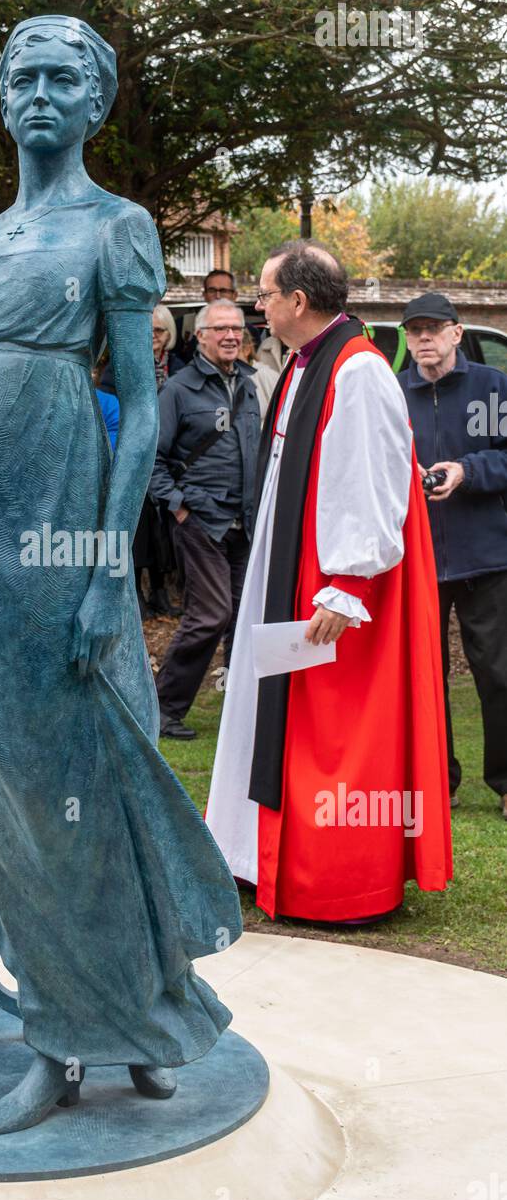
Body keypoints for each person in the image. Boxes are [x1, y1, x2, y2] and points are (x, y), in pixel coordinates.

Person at [0, 14, 241, 1136]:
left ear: (94, 101)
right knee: (2, 783)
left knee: (88, 769)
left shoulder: (118, 227)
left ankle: (123, 1012)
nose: (41, 94)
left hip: (63, 526)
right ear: (3, 99)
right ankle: (71, 1021)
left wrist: (108, 568)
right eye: (24, 77)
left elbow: (144, 411)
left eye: (64, 77)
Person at [205, 242, 452, 923]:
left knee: (331, 726)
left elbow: (371, 481)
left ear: (298, 302)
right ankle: (252, 855)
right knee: (268, 712)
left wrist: (346, 585)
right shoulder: (308, 364)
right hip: (285, 564)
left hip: (332, 580)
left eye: (265, 294)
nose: (258, 305)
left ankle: (335, 879)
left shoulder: (359, 371)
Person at [397, 292, 507, 820]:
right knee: (425, 677)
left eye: (433, 328)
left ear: (457, 333)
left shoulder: (493, 388)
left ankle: (506, 783)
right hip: (416, 558)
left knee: (498, 672)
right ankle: (439, 782)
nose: (423, 338)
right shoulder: (394, 394)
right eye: (414, 330)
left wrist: (466, 471)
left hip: (486, 555)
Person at [148, 300, 260, 738]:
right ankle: (161, 707)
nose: (231, 335)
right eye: (221, 329)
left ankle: (242, 708)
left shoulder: (251, 384)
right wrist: (177, 504)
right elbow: (150, 459)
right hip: (199, 520)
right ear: (200, 336)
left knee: (245, 617)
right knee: (211, 613)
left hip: (245, 521)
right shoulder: (178, 390)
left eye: (237, 329)